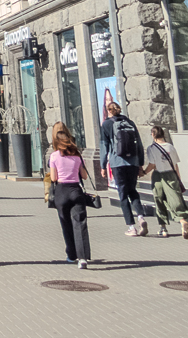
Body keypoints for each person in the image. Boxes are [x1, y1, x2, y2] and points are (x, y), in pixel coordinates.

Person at [99, 101, 148, 236]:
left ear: (108, 111)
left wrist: (102, 165)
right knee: (133, 191)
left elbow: (104, 146)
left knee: (123, 194)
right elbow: (139, 144)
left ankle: (131, 227)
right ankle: (141, 217)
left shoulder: (107, 124)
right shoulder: (130, 122)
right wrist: (140, 163)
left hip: (117, 163)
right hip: (133, 162)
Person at [49, 121, 92, 269]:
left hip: (61, 192)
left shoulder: (54, 156)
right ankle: (83, 258)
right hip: (76, 190)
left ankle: (71, 255)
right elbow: (84, 176)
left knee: (66, 225)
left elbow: (53, 178)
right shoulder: (77, 156)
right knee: (80, 224)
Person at [140, 125, 188, 239]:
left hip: (158, 175)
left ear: (153, 135)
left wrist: (144, 172)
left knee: (159, 199)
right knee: (175, 198)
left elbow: (152, 164)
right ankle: (182, 221)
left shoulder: (151, 148)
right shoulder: (170, 147)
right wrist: (178, 178)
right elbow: (175, 165)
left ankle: (163, 228)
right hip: (171, 174)